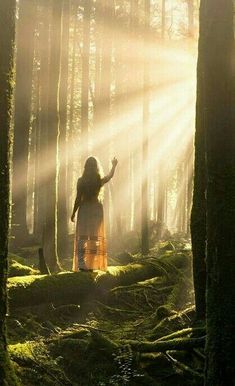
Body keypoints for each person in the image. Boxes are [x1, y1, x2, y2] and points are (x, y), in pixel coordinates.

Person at [71, 156, 118, 271]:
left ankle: (82, 264)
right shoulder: (98, 180)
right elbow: (109, 177)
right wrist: (114, 166)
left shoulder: (81, 181)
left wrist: (73, 213)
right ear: (96, 167)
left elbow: (78, 198)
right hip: (96, 210)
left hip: (85, 209)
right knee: (94, 237)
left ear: (85, 167)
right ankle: (92, 264)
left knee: (82, 237)